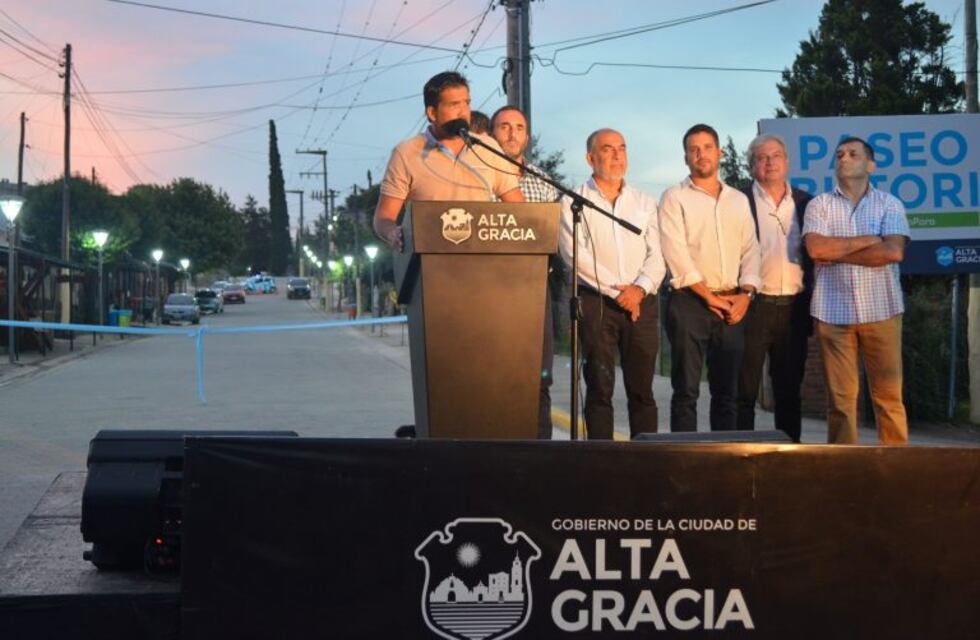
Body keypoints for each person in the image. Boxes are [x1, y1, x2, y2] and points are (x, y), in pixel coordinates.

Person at [558, 128, 666, 440]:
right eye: (608, 149)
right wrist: (619, 293)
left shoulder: (644, 202)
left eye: (622, 148)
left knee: (642, 390)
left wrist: (639, 289)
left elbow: (658, 255)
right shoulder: (573, 201)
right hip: (597, 303)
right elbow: (575, 255)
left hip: (641, 303)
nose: (617, 155)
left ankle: (645, 457)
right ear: (590, 158)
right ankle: (601, 460)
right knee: (598, 389)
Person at [802, 137, 910, 445]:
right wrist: (870, 239)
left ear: (870, 165)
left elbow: (893, 252)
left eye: (853, 154)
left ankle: (895, 464)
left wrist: (836, 253)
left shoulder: (889, 203)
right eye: (839, 154)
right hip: (832, 314)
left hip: (882, 311)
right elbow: (816, 249)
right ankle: (844, 467)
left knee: (889, 398)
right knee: (840, 402)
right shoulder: (819, 205)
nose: (844, 158)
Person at [659, 124, 761, 433]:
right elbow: (676, 254)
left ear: (720, 153)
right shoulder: (674, 197)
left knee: (727, 394)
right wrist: (709, 298)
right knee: (686, 391)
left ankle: (723, 455)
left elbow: (751, 249)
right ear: (686, 158)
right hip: (689, 303)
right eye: (693, 149)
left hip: (732, 304)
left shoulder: (738, 200)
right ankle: (685, 457)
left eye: (707, 148)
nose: (700, 154)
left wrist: (746, 295)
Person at [373, 71, 524, 252]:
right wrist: (392, 233)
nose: (463, 112)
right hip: (429, 257)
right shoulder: (406, 153)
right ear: (432, 113)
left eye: (467, 103)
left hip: (482, 257)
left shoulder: (488, 147)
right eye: (454, 105)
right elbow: (384, 217)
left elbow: (519, 209)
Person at [735, 134, 813, 443]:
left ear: (787, 162)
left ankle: (789, 454)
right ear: (751, 165)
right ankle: (740, 453)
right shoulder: (738, 201)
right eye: (762, 157)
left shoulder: (807, 203)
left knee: (789, 391)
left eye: (776, 155)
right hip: (752, 306)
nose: (770, 162)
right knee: (744, 390)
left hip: (794, 308)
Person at [491, 105, 559, 439]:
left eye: (519, 127)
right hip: (488, 291)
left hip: (533, 289)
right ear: (491, 134)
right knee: (492, 373)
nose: (512, 133)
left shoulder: (543, 182)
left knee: (538, 376)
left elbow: (551, 235)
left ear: (527, 137)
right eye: (504, 126)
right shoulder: (478, 178)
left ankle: (541, 447)